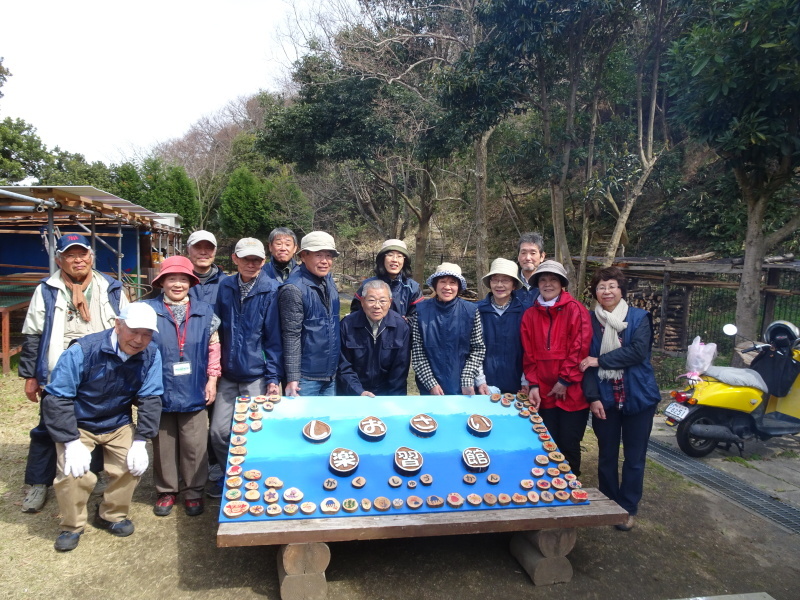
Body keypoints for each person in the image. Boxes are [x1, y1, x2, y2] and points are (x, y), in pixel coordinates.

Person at [18, 233, 128, 513]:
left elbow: (125, 326)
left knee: (103, 422)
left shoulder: (111, 287)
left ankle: (97, 474)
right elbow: (33, 333)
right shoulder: (47, 289)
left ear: (91, 257)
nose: (78, 260)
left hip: (102, 369)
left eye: (83, 254)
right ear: (59, 260)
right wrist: (31, 375)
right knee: (49, 426)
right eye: (70, 255)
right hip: (60, 368)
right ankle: (38, 484)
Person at [41, 302, 163, 552]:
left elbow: (151, 397)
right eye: (134, 331)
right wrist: (70, 440)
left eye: (147, 334)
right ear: (118, 325)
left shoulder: (152, 354)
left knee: (131, 464)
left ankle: (111, 514)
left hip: (117, 421)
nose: (140, 340)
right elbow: (57, 398)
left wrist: (141, 440)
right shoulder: (83, 351)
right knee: (74, 472)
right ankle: (71, 526)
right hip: (79, 422)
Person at [580, 266, 661, 532]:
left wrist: (600, 359)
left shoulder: (639, 317)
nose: (606, 291)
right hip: (605, 398)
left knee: (635, 457)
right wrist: (592, 397)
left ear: (621, 290)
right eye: (601, 287)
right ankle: (608, 502)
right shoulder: (590, 320)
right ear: (595, 292)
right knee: (607, 455)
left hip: (638, 397)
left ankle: (628, 507)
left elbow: (637, 352)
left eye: (612, 286)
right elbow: (584, 363)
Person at [142, 257, 220, 517]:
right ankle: (167, 490)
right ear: (161, 282)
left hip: (194, 386)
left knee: (194, 442)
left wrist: (212, 380)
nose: (177, 284)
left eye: (183, 279)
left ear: (191, 282)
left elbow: (214, 349)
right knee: (163, 443)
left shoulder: (206, 311)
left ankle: (194, 490)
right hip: (159, 386)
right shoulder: (147, 310)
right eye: (172, 278)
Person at [209, 238, 282, 496]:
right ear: (235, 259)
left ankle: (253, 477)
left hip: (256, 375)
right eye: (246, 259)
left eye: (257, 260)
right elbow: (216, 329)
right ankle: (229, 472)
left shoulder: (272, 289)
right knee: (218, 431)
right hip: (228, 373)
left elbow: (274, 338)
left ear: (264, 261)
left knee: (255, 430)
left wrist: (273, 377)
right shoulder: (225, 286)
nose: (252, 264)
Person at [520, 260, 591, 476]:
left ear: (562, 284)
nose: (548, 284)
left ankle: (570, 489)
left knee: (569, 442)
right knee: (546, 441)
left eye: (553, 279)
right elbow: (528, 353)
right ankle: (550, 489)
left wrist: (565, 380)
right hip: (543, 389)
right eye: (543, 280)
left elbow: (580, 347)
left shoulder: (575, 309)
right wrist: (532, 384)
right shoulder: (530, 315)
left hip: (572, 389)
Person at [279, 231, 340, 397]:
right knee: (306, 423)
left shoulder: (328, 280)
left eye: (329, 255)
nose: (325, 261)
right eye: (318, 255)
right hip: (306, 377)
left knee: (327, 422)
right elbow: (291, 336)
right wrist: (292, 378)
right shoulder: (293, 288)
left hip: (330, 373)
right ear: (303, 256)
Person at [411, 262, 485, 395]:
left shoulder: (471, 311)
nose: (447, 287)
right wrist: (430, 383)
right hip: (430, 387)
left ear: (459, 286)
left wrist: (467, 378)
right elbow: (418, 352)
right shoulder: (421, 311)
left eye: (453, 282)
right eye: (442, 282)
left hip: (463, 386)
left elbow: (478, 349)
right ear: (435, 285)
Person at [338, 279, 411, 396]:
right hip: (353, 393)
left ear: (390, 302)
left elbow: (400, 369)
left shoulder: (401, 327)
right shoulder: (347, 325)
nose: (377, 306)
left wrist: (392, 401)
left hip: (387, 394)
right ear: (362, 302)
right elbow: (343, 365)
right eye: (371, 300)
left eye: (382, 301)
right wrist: (359, 392)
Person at [476, 258, 529, 395]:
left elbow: (529, 350)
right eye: (495, 280)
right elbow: (472, 349)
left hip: (516, 384)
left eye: (505, 280)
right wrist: (480, 380)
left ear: (514, 285)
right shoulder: (477, 310)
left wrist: (526, 381)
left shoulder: (525, 312)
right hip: (484, 384)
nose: (499, 285)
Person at [350, 239, 422, 318]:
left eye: (399, 256)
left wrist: (404, 323)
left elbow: (418, 317)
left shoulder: (412, 288)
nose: (394, 260)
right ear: (382, 259)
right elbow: (355, 315)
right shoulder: (367, 285)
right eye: (390, 255)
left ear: (405, 261)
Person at [186, 230, 227, 306]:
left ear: (215, 250)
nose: (203, 252)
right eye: (197, 247)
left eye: (209, 248)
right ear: (188, 249)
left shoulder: (227, 283)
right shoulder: (177, 283)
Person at [516, 232, 547, 307]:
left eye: (533, 253)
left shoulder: (548, 284)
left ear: (542, 256)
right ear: (518, 256)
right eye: (523, 253)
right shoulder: (511, 282)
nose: (527, 258)